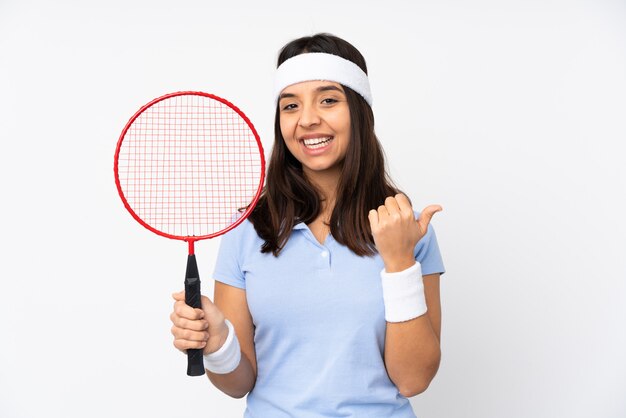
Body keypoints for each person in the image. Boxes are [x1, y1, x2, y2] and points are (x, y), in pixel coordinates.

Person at [170, 33, 445, 417]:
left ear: (360, 111)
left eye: (329, 100)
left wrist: (399, 262)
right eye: (290, 106)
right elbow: (239, 384)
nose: (307, 119)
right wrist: (218, 343)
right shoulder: (247, 228)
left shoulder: (406, 227)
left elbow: (413, 379)